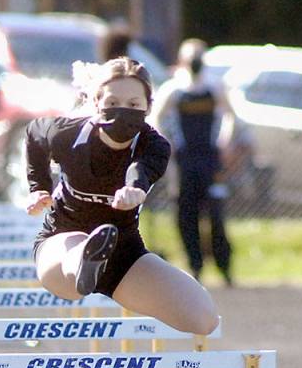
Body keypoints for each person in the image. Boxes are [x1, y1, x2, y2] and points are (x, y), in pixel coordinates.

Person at [25, 57, 219, 335]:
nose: (122, 113)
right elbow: (34, 135)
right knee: (79, 245)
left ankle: (97, 261)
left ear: (148, 107)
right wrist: (39, 188)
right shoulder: (68, 134)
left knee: (203, 319)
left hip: (123, 254)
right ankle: (85, 262)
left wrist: (135, 189)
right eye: (113, 103)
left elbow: (140, 169)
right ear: (96, 102)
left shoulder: (155, 145)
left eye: (133, 105)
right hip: (61, 246)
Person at [151, 39, 234, 285]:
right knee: (186, 215)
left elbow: (229, 115)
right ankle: (195, 265)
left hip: (210, 159)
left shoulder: (214, 87)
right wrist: (167, 144)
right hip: (184, 161)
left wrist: (224, 142)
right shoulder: (174, 90)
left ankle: (224, 266)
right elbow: (156, 118)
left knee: (216, 214)